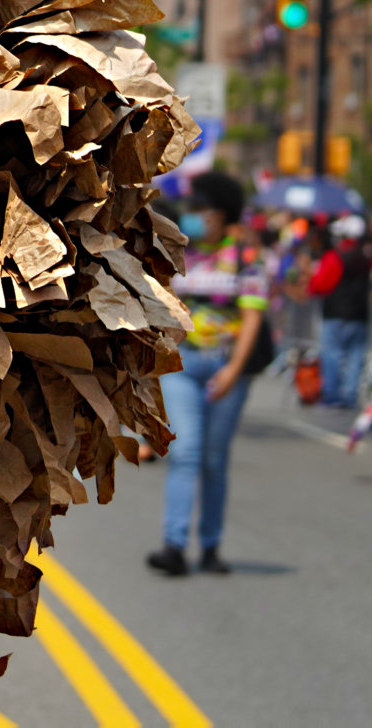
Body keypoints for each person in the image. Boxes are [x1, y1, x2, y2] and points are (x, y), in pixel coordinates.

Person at [149, 169, 265, 577]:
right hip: (183, 366)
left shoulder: (246, 257)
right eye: (191, 207)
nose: (193, 215)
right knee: (187, 453)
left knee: (215, 461)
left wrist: (234, 370)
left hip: (226, 368)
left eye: (201, 208)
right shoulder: (181, 251)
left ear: (222, 213)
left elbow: (252, 317)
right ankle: (175, 545)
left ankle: (211, 546)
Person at [306, 213, 369, 408]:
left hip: (336, 313)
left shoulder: (335, 256)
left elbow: (320, 284)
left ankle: (332, 395)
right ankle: (349, 395)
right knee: (355, 356)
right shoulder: (365, 258)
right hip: (359, 314)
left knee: (332, 354)